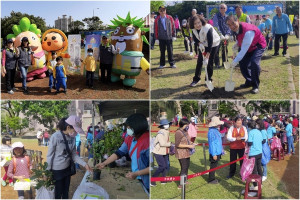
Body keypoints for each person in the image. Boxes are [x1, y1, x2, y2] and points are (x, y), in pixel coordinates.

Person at [96, 113, 150, 195]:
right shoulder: (130, 138)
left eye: (129, 127)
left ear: (137, 127)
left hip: (146, 180)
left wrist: (137, 173)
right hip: (136, 178)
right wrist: (104, 163)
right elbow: (119, 153)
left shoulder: (148, 142)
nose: (127, 129)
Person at [46, 116, 92, 199]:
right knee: (58, 192)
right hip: (57, 171)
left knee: (65, 192)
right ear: (68, 127)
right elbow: (50, 156)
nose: (76, 132)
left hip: (67, 169)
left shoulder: (73, 138)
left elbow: (74, 154)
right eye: (75, 129)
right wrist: (47, 171)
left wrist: (85, 164)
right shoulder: (55, 137)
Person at [226, 15, 266, 94]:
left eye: (233, 23)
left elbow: (244, 49)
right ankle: (249, 81)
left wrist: (235, 60)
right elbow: (241, 38)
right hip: (248, 46)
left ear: (237, 20)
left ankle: (255, 85)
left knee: (254, 63)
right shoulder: (237, 29)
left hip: (258, 45)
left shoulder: (248, 31)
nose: (232, 26)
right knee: (243, 63)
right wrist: (237, 44)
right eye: (229, 25)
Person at [189, 15, 220, 87]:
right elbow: (195, 38)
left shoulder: (207, 28)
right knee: (199, 61)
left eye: (199, 22)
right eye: (195, 24)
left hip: (214, 44)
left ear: (201, 21)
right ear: (192, 24)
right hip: (203, 44)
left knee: (209, 62)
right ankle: (196, 79)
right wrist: (199, 44)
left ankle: (208, 79)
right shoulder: (193, 29)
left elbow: (210, 43)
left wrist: (207, 56)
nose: (197, 25)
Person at [175, 118, 195, 188]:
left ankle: (185, 180)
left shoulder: (185, 131)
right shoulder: (178, 132)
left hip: (187, 152)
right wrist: (188, 145)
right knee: (183, 168)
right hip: (181, 153)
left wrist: (192, 143)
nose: (188, 126)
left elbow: (187, 139)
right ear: (183, 124)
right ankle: (181, 184)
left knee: (187, 167)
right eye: (187, 125)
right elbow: (177, 144)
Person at [151, 119, 171, 187]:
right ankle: (152, 180)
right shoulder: (160, 133)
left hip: (164, 151)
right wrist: (170, 144)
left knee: (165, 166)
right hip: (158, 152)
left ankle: (163, 180)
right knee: (162, 166)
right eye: (166, 124)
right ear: (162, 126)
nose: (168, 125)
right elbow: (162, 143)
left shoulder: (166, 132)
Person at [247, 120, 264, 190]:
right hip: (259, 152)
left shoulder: (250, 132)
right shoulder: (259, 132)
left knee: (254, 169)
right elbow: (262, 141)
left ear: (249, 126)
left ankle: (255, 185)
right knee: (259, 167)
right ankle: (260, 182)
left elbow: (250, 143)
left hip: (253, 153)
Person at [213, 3, 231, 68]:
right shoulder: (216, 16)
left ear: (226, 9)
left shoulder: (227, 17)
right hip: (217, 36)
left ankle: (225, 62)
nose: (222, 9)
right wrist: (220, 34)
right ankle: (217, 63)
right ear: (219, 9)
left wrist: (227, 34)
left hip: (225, 36)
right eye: (221, 8)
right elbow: (215, 26)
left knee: (225, 49)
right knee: (217, 50)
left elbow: (229, 26)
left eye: (224, 8)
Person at [207, 116, 224, 184]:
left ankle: (212, 178)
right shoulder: (211, 132)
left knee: (215, 165)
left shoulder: (216, 130)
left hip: (217, 151)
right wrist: (214, 154)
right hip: (215, 152)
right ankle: (211, 179)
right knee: (213, 165)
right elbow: (212, 143)